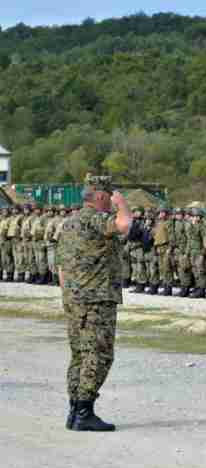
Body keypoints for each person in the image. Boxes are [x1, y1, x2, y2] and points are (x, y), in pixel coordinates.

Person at [57, 174, 139, 432]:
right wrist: (123, 203)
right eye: (110, 195)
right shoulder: (95, 219)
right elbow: (124, 225)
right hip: (96, 299)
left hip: (75, 298)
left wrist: (68, 296)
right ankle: (84, 412)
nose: (111, 200)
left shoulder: (70, 223)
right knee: (99, 354)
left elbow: (61, 266)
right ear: (102, 196)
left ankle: (74, 411)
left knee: (80, 354)